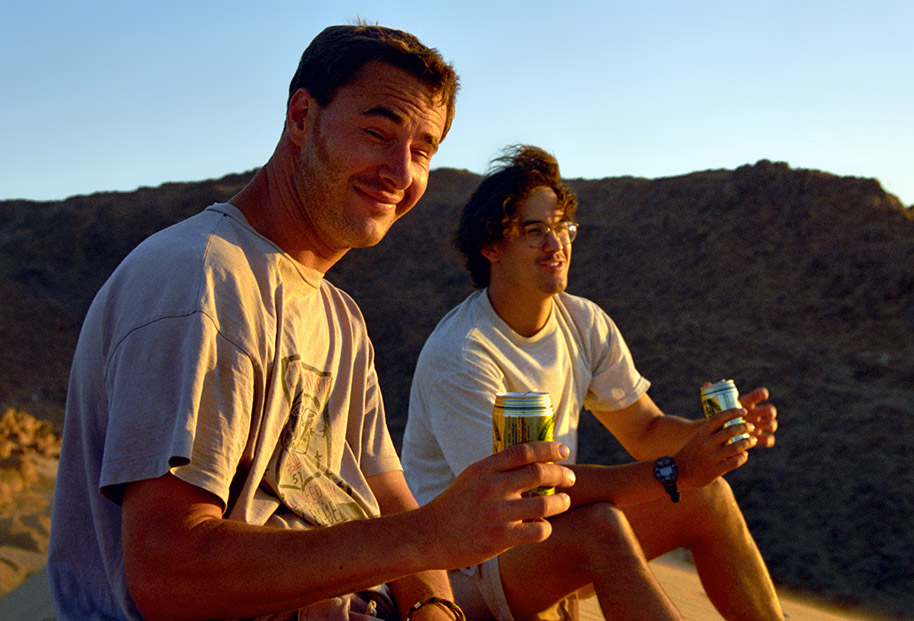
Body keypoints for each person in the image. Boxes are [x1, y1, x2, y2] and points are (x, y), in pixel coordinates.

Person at [47, 28, 575, 621]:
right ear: (302, 118)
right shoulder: (199, 282)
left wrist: (433, 604)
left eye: (423, 150)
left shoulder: (340, 317)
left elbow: (387, 496)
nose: (400, 171)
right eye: (378, 133)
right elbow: (170, 571)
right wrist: (433, 533)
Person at [401, 145, 785, 621]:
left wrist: (718, 435)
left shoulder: (583, 322)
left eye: (562, 227)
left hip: (543, 532)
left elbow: (644, 431)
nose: (555, 242)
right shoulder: (461, 352)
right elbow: (516, 495)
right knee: (598, 526)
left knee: (707, 495)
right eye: (534, 230)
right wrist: (673, 472)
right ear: (491, 246)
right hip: (462, 566)